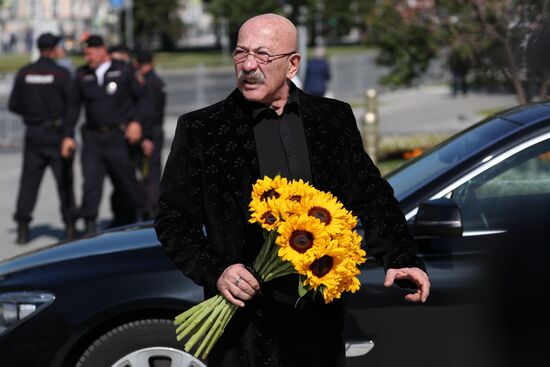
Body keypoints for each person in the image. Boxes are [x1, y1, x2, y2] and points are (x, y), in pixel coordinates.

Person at [155, 13, 430, 367]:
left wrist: (402, 256)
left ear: (292, 64)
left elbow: (371, 194)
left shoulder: (333, 118)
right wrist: (217, 269)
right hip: (244, 326)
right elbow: (173, 220)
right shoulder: (203, 129)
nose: (248, 65)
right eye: (241, 53)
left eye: (263, 55)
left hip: (318, 321)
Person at [62, 34, 148, 234]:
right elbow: (74, 108)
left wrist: (137, 122)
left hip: (118, 138)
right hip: (93, 139)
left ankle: (146, 219)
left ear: (102, 50)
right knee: (91, 183)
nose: (87, 58)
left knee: (127, 182)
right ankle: (89, 226)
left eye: (90, 53)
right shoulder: (82, 75)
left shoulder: (124, 70)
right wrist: (67, 135)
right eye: (85, 54)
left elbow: (143, 99)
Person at [8, 32, 77, 244]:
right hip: (57, 135)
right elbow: (72, 107)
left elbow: (14, 104)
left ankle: (22, 227)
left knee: (29, 183)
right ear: (55, 49)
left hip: (34, 134)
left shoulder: (25, 73)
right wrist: (67, 134)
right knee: (64, 182)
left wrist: (33, 114)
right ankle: (70, 227)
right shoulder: (61, 74)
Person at [134, 50, 166, 219]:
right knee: (152, 171)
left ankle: (150, 209)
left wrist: (144, 138)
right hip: (154, 130)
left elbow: (149, 113)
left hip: (149, 132)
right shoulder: (156, 81)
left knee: (149, 174)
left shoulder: (147, 83)